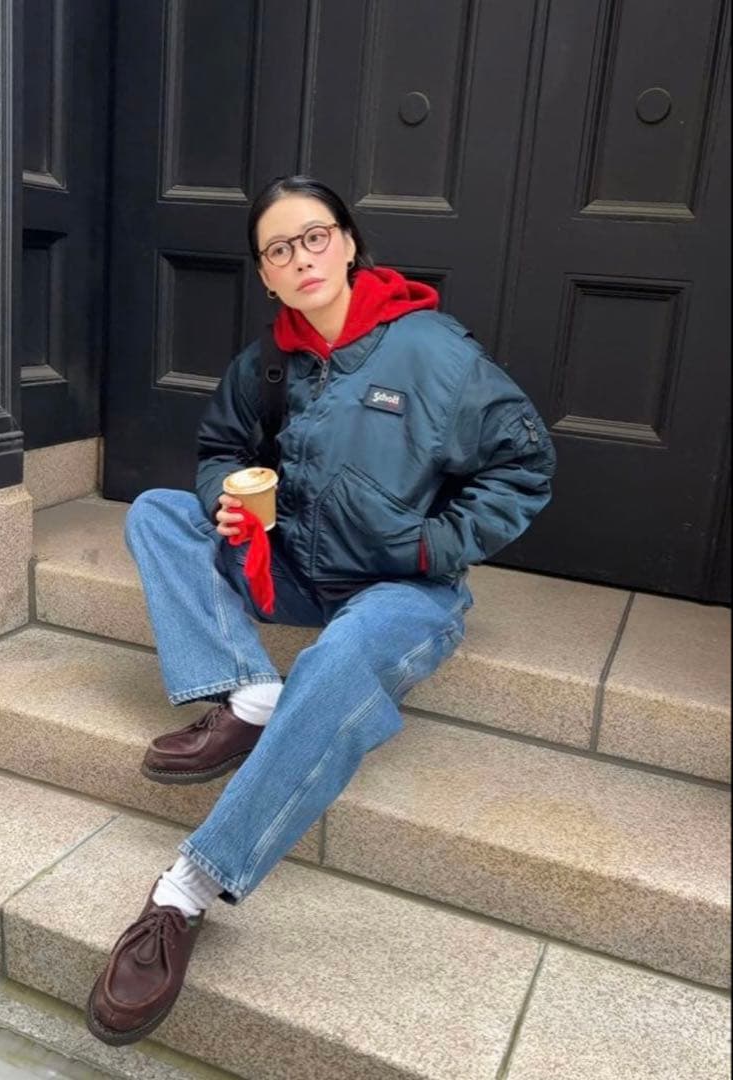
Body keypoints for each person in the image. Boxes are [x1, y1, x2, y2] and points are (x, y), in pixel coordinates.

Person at [86, 176, 557, 1046]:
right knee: (157, 512)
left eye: (313, 237)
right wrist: (227, 500)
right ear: (266, 274)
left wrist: (432, 547)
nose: (299, 258)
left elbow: (523, 467)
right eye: (278, 249)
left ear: (346, 243)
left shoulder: (433, 353)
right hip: (293, 564)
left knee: (340, 658)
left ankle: (185, 892)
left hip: (403, 587)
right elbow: (219, 448)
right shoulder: (266, 362)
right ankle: (248, 692)